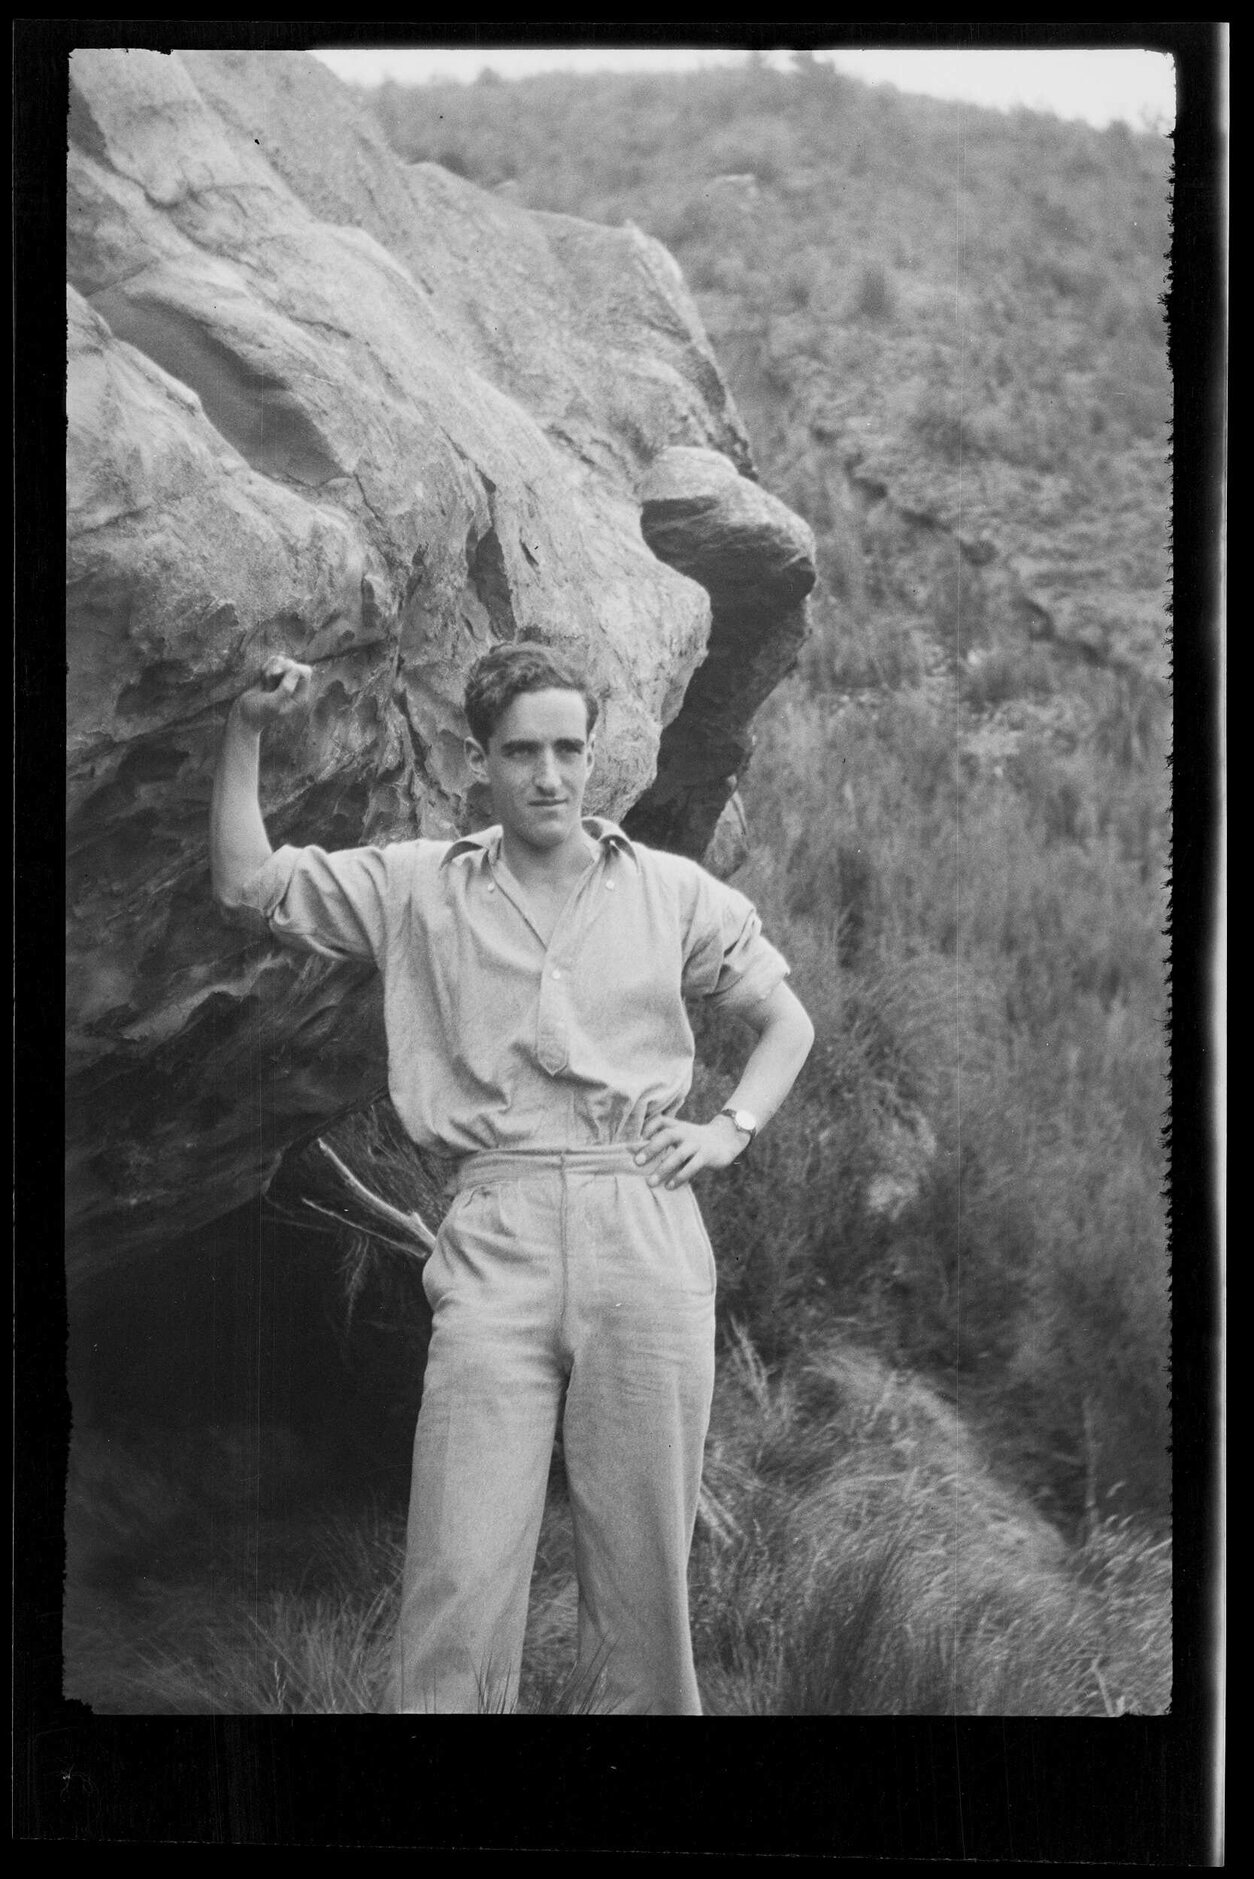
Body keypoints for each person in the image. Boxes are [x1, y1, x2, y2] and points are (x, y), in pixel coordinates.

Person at [211, 642, 814, 1715]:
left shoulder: (669, 889)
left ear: (593, 755)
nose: (550, 775)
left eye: (569, 750)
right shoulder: (418, 885)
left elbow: (787, 1021)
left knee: (645, 1589)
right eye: (524, 751)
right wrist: (245, 731)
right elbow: (245, 883)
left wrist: (730, 1129)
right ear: (479, 758)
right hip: (495, 1234)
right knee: (459, 1573)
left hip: (645, 1228)